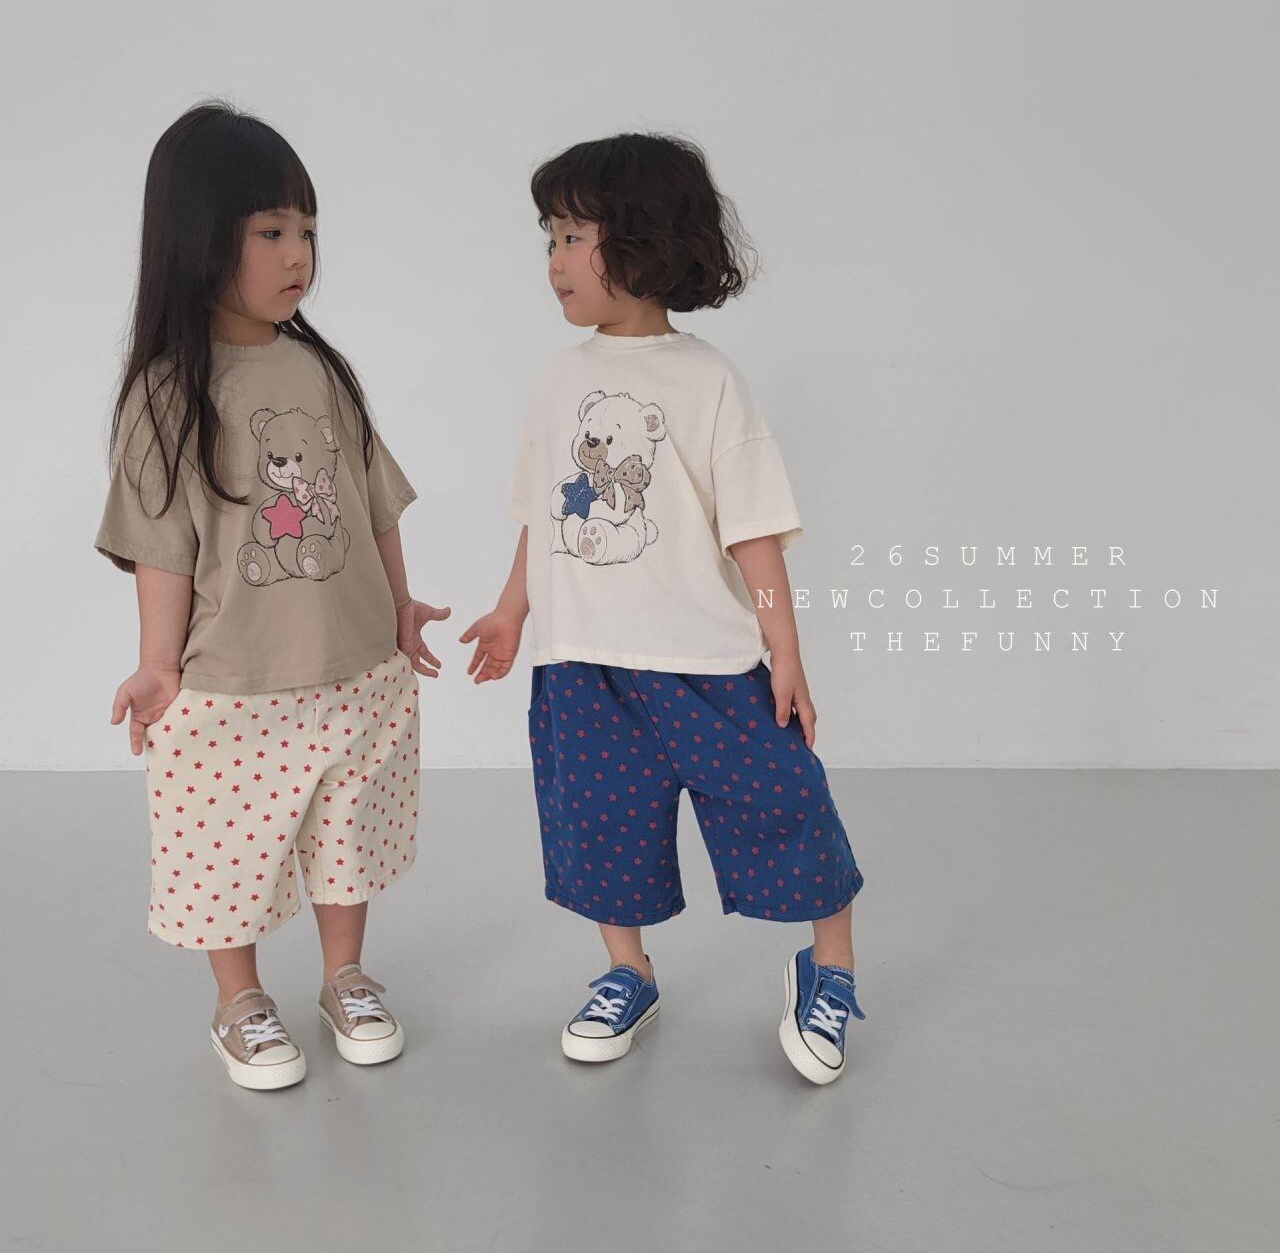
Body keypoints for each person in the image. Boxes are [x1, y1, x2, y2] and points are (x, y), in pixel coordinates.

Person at [459, 133, 866, 1084]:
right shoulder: (558, 379)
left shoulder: (709, 379)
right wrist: (512, 611)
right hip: (584, 665)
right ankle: (627, 972)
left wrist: (786, 652)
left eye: (572, 236)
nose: (553, 259)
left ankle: (832, 967)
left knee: (789, 802)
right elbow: (547, 515)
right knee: (603, 831)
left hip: (707, 665)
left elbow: (754, 532)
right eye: (549, 238)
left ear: (642, 240)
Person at [95, 102, 448, 1090]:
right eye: (270, 231)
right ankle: (239, 997)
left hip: (353, 666)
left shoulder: (320, 370)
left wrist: (400, 607)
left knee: (347, 834)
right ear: (198, 240)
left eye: (307, 230)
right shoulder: (168, 394)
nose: (298, 255)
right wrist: (158, 666)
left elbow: (373, 502)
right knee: (226, 850)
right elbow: (162, 548)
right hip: (235, 683)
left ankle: (346, 976)